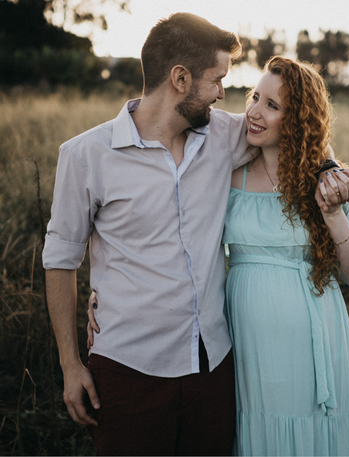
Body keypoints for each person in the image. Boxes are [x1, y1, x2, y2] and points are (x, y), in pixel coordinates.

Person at [44, 13, 249, 455]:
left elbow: (295, 126)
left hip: (212, 366)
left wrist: (331, 168)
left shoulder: (223, 135)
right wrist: (70, 365)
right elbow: (60, 260)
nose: (222, 93)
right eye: (217, 79)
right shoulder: (85, 155)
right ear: (180, 78)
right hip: (127, 371)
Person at [223, 56, 349, 455]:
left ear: (298, 119)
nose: (254, 111)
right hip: (250, 341)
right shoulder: (228, 174)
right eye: (255, 97)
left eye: (272, 105)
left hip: (315, 337)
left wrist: (334, 213)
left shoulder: (328, 180)